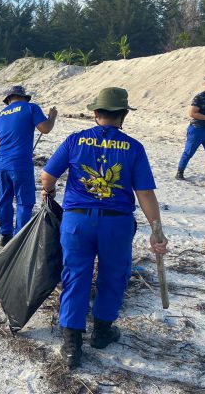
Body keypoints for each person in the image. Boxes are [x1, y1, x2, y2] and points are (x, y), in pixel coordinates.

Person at [40, 87, 168, 369]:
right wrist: (156, 231)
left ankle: (72, 344)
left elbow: (48, 175)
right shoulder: (134, 147)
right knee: (113, 275)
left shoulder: (75, 140)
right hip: (116, 223)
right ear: (123, 116)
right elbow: (145, 193)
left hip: (77, 221)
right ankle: (101, 331)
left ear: (96, 113)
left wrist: (49, 191)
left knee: (75, 274)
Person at [0, 86, 58, 246]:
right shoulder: (31, 108)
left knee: (4, 199)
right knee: (24, 201)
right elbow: (46, 128)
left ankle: (5, 235)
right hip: (21, 163)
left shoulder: (0, 115)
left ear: (9, 99)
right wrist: (52, 117)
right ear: (23, 97)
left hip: (3, 163)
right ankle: (19, 238)